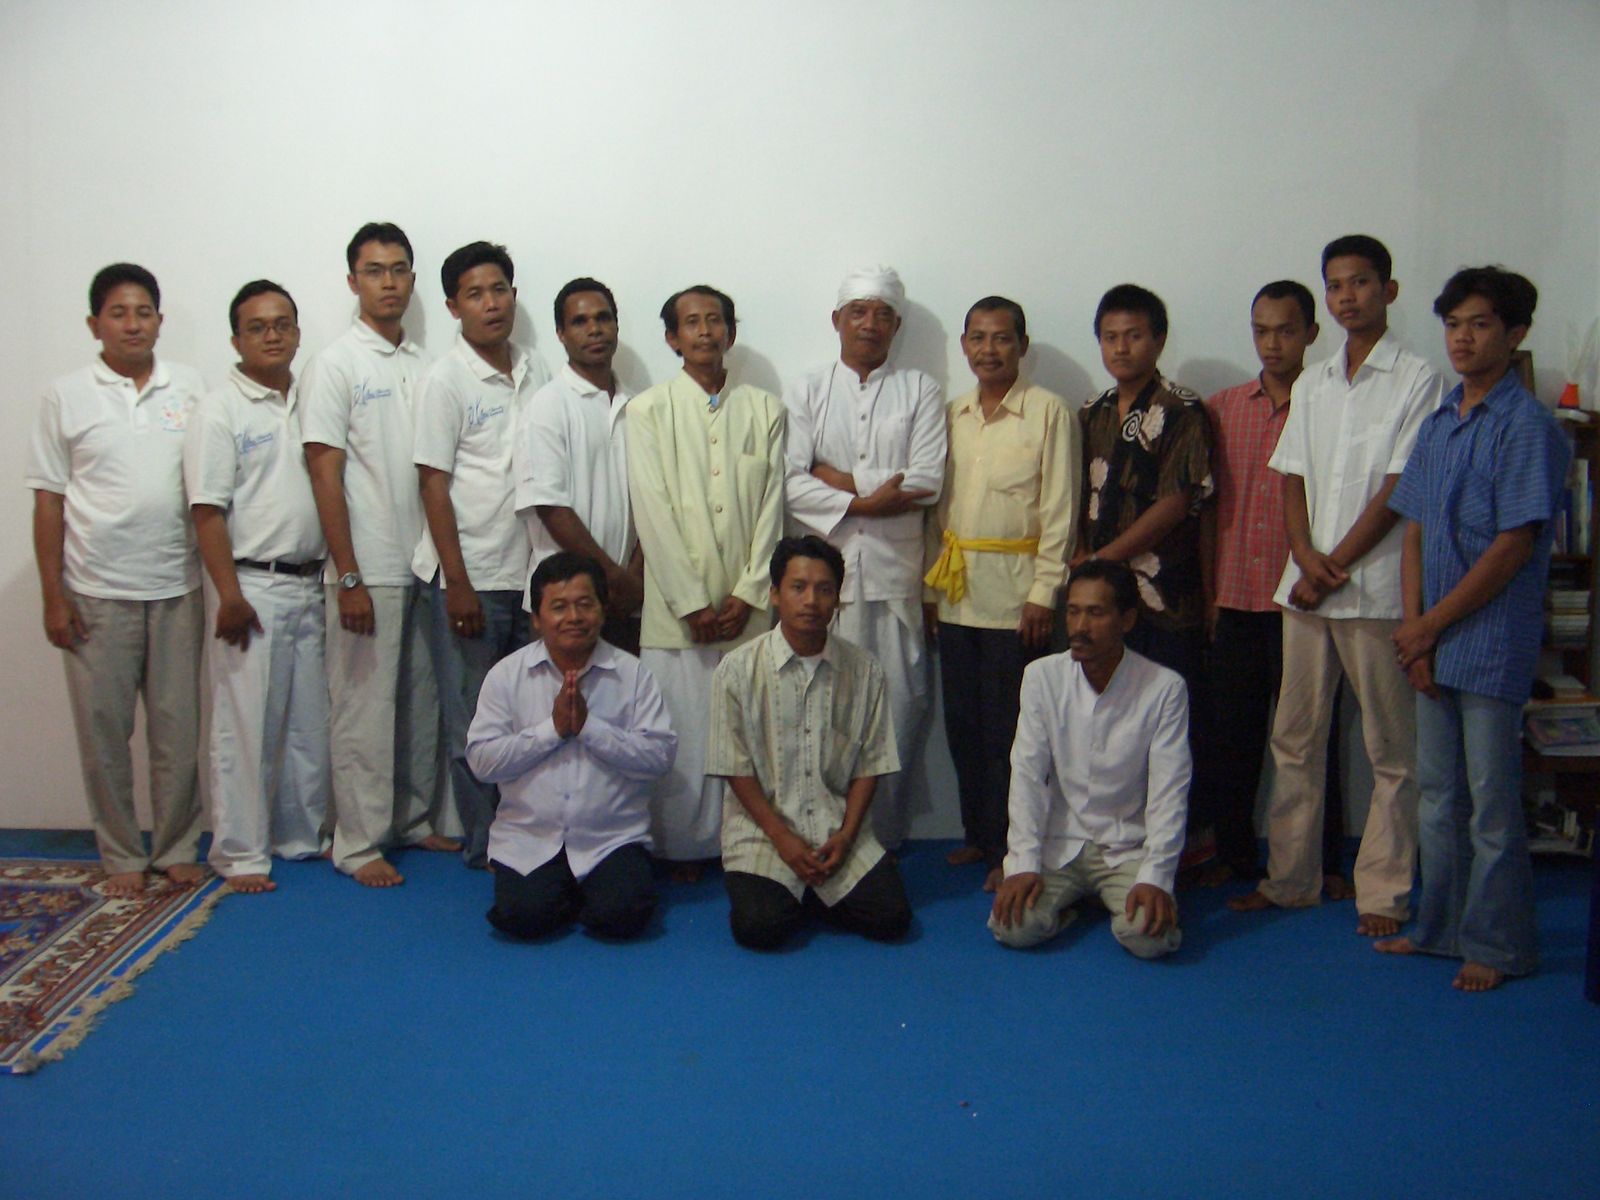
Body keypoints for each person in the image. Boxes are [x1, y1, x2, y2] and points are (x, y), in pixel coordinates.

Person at [1231, 235, 1444, 936]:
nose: (1348, 296)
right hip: (1306, 589)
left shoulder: (1418, 378)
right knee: (1294, 740)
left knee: (1391, 751)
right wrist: (1304, 554)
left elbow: (1401, 486)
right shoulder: (1315, 381)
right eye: (1336, 285)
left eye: (1360, 282)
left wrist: (1335, 563)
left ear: (1389, 290)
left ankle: (1382, 892)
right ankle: (1290, 880)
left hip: (1375, 589)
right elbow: (1290, 474)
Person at [1376, 267, 1568, 991]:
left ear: (1515, 334)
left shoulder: (1529, 427)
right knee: (1436, 797)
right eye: (1454, 324)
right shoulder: (1440, 420)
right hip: (1431, 639)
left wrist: (1428, 626)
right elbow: (1415, 529)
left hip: (1490, 642)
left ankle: (1499, 946)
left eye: (1480, 324)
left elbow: (1513, 545)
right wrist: (1414, 630)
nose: (1462, 338)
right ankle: (1439, 930)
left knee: (1490, 805)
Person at [26, 263, 207, 896]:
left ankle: (177, 845)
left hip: (176, 586)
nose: (133, 324)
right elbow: (48, 500)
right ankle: (123, 851)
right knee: (104, 734)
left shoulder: (190, 388)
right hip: (95, 591)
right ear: (94, 324)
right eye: (119, 313)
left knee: (178, 733)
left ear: (160, 320)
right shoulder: (66, 395)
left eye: (144, 312)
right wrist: (53, 597)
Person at [301, 221, 456, 887]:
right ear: (352, 281)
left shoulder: (426, 364)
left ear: (412, 280)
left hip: (425, 562)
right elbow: (323, 471)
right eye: (374, 271)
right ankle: (358, 842)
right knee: (363, 713)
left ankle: (411, 820)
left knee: (421, 705)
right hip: (368, 567)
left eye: (398, 270)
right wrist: (348, 574)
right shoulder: (336, 364)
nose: (388, 282)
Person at [783, 265, 945, 848]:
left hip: (895, 580)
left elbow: (925, 480)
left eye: (882, 314)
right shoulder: (806, 389)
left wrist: (837, 481)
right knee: (823, 716)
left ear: (897, 326)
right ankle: (823, 835)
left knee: (899, 711)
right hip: (823, 587)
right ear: (837, 320)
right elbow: (789, 481)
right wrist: (871, 499)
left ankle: (883, 842)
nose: (869, 324)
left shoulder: (920, 389)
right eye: (858, 312)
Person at [627, 285, 785, 879]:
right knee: (682, 734)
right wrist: (690, 602)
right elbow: (652, 512)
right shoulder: (648, 411)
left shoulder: (766, 410)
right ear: (673, 338)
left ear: (730, 332)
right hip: (676, 617)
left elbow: (772, 509)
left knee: (751, 734)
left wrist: (749, 592)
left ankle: (746, 842)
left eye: (714, 320)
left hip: (748, 611)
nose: (704, 331)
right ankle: (683, 848)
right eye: (691, 323)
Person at [1202, 281, 1351, 895]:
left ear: (1311, 334)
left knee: (1313, 739)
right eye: (1261, 331)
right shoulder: (1222, 409)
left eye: (1286, 330)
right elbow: (1208, 510)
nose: (1272, 343)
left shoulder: (1331, 406)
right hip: (1235, 598)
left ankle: (1324, 862)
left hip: (1304, 601)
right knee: (1232, 739)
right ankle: (1234, 855)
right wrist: (1210, 593)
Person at [924, 296, 1078, 890]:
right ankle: (978, 834)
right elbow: (936, 512)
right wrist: (930, 593)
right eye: (978, 338)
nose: (988, 350)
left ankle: (1014, 848)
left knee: (1012, 731)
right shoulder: (952, 414)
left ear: (1022, 346)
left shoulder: (1048, 412)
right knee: (963, 725)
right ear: (965, 345)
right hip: (956, 592)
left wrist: (1045, 592)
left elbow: (1060, 511)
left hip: (1018, 601)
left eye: (1001, 338)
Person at [183, 280, 329, 892]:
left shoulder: (312, 399)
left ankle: (301, 835)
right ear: (236, 339)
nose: (272, 336)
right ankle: (240, 852)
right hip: (251, 586)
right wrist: (229, 595)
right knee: (245, 727)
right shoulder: (220, 410)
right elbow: (206, 510)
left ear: (297, 332)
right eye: (257, 327)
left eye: (282, 324)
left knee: (307, 724)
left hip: (310, 581)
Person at [413, 241, 552, 869]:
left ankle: (530, 833)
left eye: (499, 290)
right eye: (475, 294)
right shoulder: (445, 380)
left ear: (514, 296)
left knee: (529, 717)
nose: (490, 303)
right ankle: (485, 844)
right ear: (453, 306)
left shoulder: (536, 369)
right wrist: (458, 582)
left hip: (530, 574)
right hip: (471, 577)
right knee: (474, 721)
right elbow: (432, 482)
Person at [1071, 284, 1215, 875]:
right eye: (1110, 337)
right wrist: (1086, 563)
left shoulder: (1182, 409)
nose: (1121, 347)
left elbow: (1177, 501)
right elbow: (1077, 496)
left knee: (1171, 726)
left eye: (1133, 335)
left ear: (1158, 339)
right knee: (1110, 723)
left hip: (1164, 597)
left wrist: (1104, 559)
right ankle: (1118, 845)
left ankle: (1181, 849)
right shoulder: (1093, 412)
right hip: (1102, 601)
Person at [707, 535, 913, 950]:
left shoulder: (865, 670)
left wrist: (848, 835)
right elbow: (734, 767)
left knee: (892, 919)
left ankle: (810, 893)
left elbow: (870, 764)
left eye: (824, 590)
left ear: (837, 599)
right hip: (763, 834)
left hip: (837, 832)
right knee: (759, 929)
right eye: (798, 587)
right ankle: (805, 895)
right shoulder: (737, 670)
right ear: (775, 595)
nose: (811, 601)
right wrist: (781, 838)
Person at [467, 552, 676, 940]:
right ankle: (561, 891)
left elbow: (660, 757)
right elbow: (481, 761)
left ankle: (584, 890)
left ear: (603, 610)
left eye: (585, 604)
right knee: (524, 919)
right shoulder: (506, 676)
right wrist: (553, 730)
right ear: (536, 617)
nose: (574, 617)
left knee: (623, 919)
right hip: (530, 837)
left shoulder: (634, 674)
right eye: (559, 607)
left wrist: (589, 729)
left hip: (611, 838)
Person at [989, 560, 1188, 958]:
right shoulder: (1042, 677)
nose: (1079, 627)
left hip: (1126, 846)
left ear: (1127, 620)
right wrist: (1022, 863)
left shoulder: (1164, 688)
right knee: (1012, 926)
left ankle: (1111, 898)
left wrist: (1157, 877)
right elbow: (1027, 776)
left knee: (1149, 937)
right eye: (1073, 612)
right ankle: (1071, 909)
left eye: (1095, 613)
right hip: (1060, 843)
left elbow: (1170, 790)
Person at [515, 278, 644, 654]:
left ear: (616, 326)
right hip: (565, 601)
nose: (594, 329)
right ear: (560, 333)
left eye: (603, 318)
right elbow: (551, 508)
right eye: (580, 321)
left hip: (628, 601)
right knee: (561, 693)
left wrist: (634, 579)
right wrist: (610, 576)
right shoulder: (548, 406)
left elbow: (655, 502)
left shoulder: (638, 407)